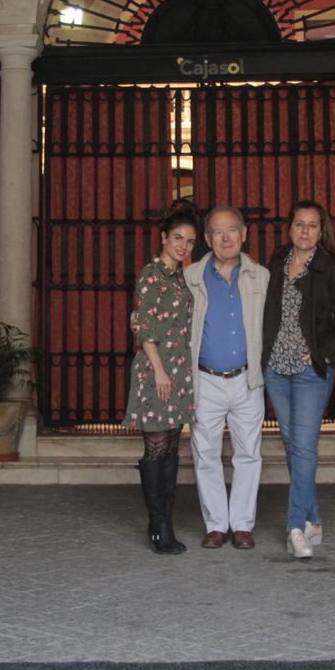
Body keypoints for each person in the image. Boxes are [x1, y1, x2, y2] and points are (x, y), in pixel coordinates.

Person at [262, 201, 335, 560]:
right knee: (293, 447)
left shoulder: (331, 267)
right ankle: (314, 518)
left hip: (309, 372)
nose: (305, 231)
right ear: (289, 228)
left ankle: (294, 527)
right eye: (299, 224)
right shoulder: (277, 261)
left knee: (304, 447)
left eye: (313, 226)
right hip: (276, 368)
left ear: (323, 232)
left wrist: (323, 354)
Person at [185, 206, 270, 550]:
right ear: (207, 240)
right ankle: (216, 524)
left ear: (244, 233)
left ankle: (243, 525)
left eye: (232, 230)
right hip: (205, 380)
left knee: (249, 452)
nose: (226, 238)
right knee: (205, 453)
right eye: (217, 232)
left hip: (248, 380)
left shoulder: (261, 277)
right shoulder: (190, 277)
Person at [123, 200, 199, 554]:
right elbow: (145, 330)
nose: (183, 246)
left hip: (178, 372)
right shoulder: (151, 274)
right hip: (158, 373)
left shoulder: (183, 277)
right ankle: (158, 527)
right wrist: (160, 372)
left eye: (190, 241)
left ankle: (163, 519)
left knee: (170, 446)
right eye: (178, 238)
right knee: (155, 448)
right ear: (164, 237)